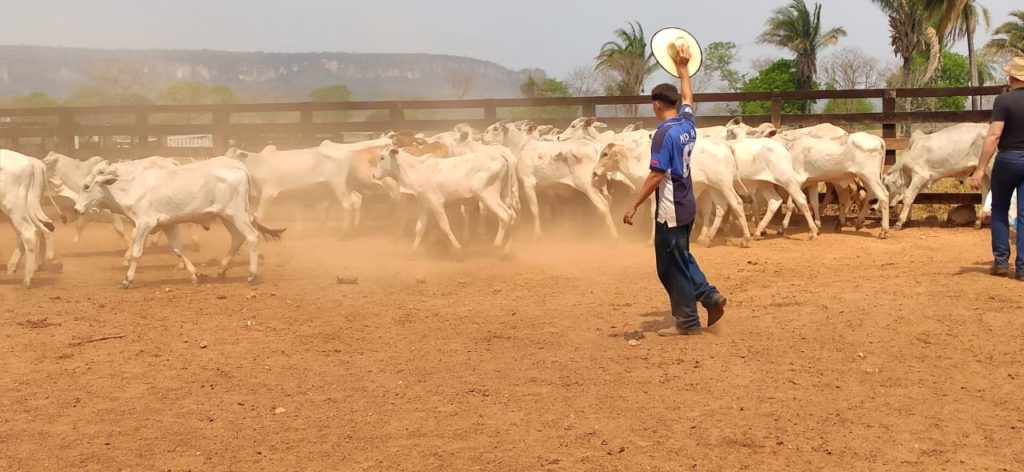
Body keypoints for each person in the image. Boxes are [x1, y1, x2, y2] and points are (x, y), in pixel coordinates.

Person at [623, 42, 727, 336]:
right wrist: (683, 68)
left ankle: (688, 322)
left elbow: (656, 175)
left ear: (656, 105)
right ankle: (709, 296)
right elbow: (689, 97)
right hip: (687, 203)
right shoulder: (687, 124)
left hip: (669, 208)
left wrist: (634, 204)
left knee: (669, 267)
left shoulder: (662, 135)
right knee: (681, 257)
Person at [971, 56, 1024, 281]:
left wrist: (980, 168)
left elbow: (994, 135)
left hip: (1008, 159)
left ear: (1011, 77)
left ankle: (1001, 262)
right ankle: (1022, 268)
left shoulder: (1003, 101)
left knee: (1000, 208)